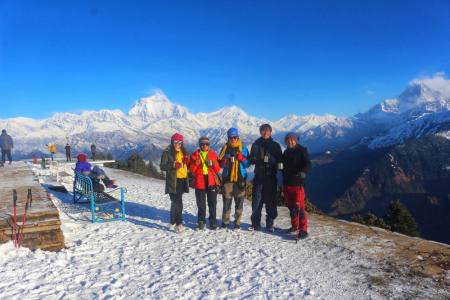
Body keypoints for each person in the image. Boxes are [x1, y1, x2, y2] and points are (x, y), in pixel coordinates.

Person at [249, 124, 282, 232]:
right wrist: (255, 159)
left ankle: (270, 223)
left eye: (267, 130)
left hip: (271, 176)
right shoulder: (256, 144)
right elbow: (251, 160)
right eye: (263, 130)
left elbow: (280, 161)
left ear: (271, 132)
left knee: (271, 201)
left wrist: (273, 162)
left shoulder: (276, 145)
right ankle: (255, 223)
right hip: (259, 176)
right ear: (260, 132)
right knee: (256, 201)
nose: (265, 132)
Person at [218, 128, 250, 230]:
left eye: (235, 137)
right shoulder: (225, 148)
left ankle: (237, 223)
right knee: (227, 202)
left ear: (238, 137)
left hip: (240, 179)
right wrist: (225, 159)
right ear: (228, 138)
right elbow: (220, 164)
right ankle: (225, 222)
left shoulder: (243, 148)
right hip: (228, 179)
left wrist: (242, 158)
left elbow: (247, 164)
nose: (233, 139)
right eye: (231, 137)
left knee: (239, 203)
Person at [281, 132, 311, 239]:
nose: (290, 141)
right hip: (287, 184)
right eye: (288, 140)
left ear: (296, 140)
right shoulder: (286, 152)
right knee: (291, 207)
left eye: (292, 139)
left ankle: (303, 229)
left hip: (298, 184)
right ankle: (295, 225)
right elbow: (282, 165)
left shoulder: (302, 150)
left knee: (299, 208)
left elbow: (308, 163)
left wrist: (304, 172)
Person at [160, 133, 190, 233]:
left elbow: (186, 165)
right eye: (176, 142)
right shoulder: (167, 152)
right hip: (173, 180)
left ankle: (172, 221)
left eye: (180, 142)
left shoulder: (183, 151)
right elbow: (162, 166)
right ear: (172, 142)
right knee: (178, 202)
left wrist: (187, 161)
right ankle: (179, 223)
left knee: (175, 202)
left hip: (182, 179)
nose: (178, 144)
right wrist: (173, 164)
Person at [189, 136, 221, 230]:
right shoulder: (195, 155)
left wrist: (213, 163)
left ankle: (212, 221)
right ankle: (201, 221)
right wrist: (196, 163)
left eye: (206, 144)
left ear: (209, 145)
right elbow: (191, 170)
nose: (204, 146)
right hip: (200, 181)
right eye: (202, 144)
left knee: (212, 203)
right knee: (201, 204)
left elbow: (218, 169)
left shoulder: (213, 154)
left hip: (211, 181)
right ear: (200, 145)